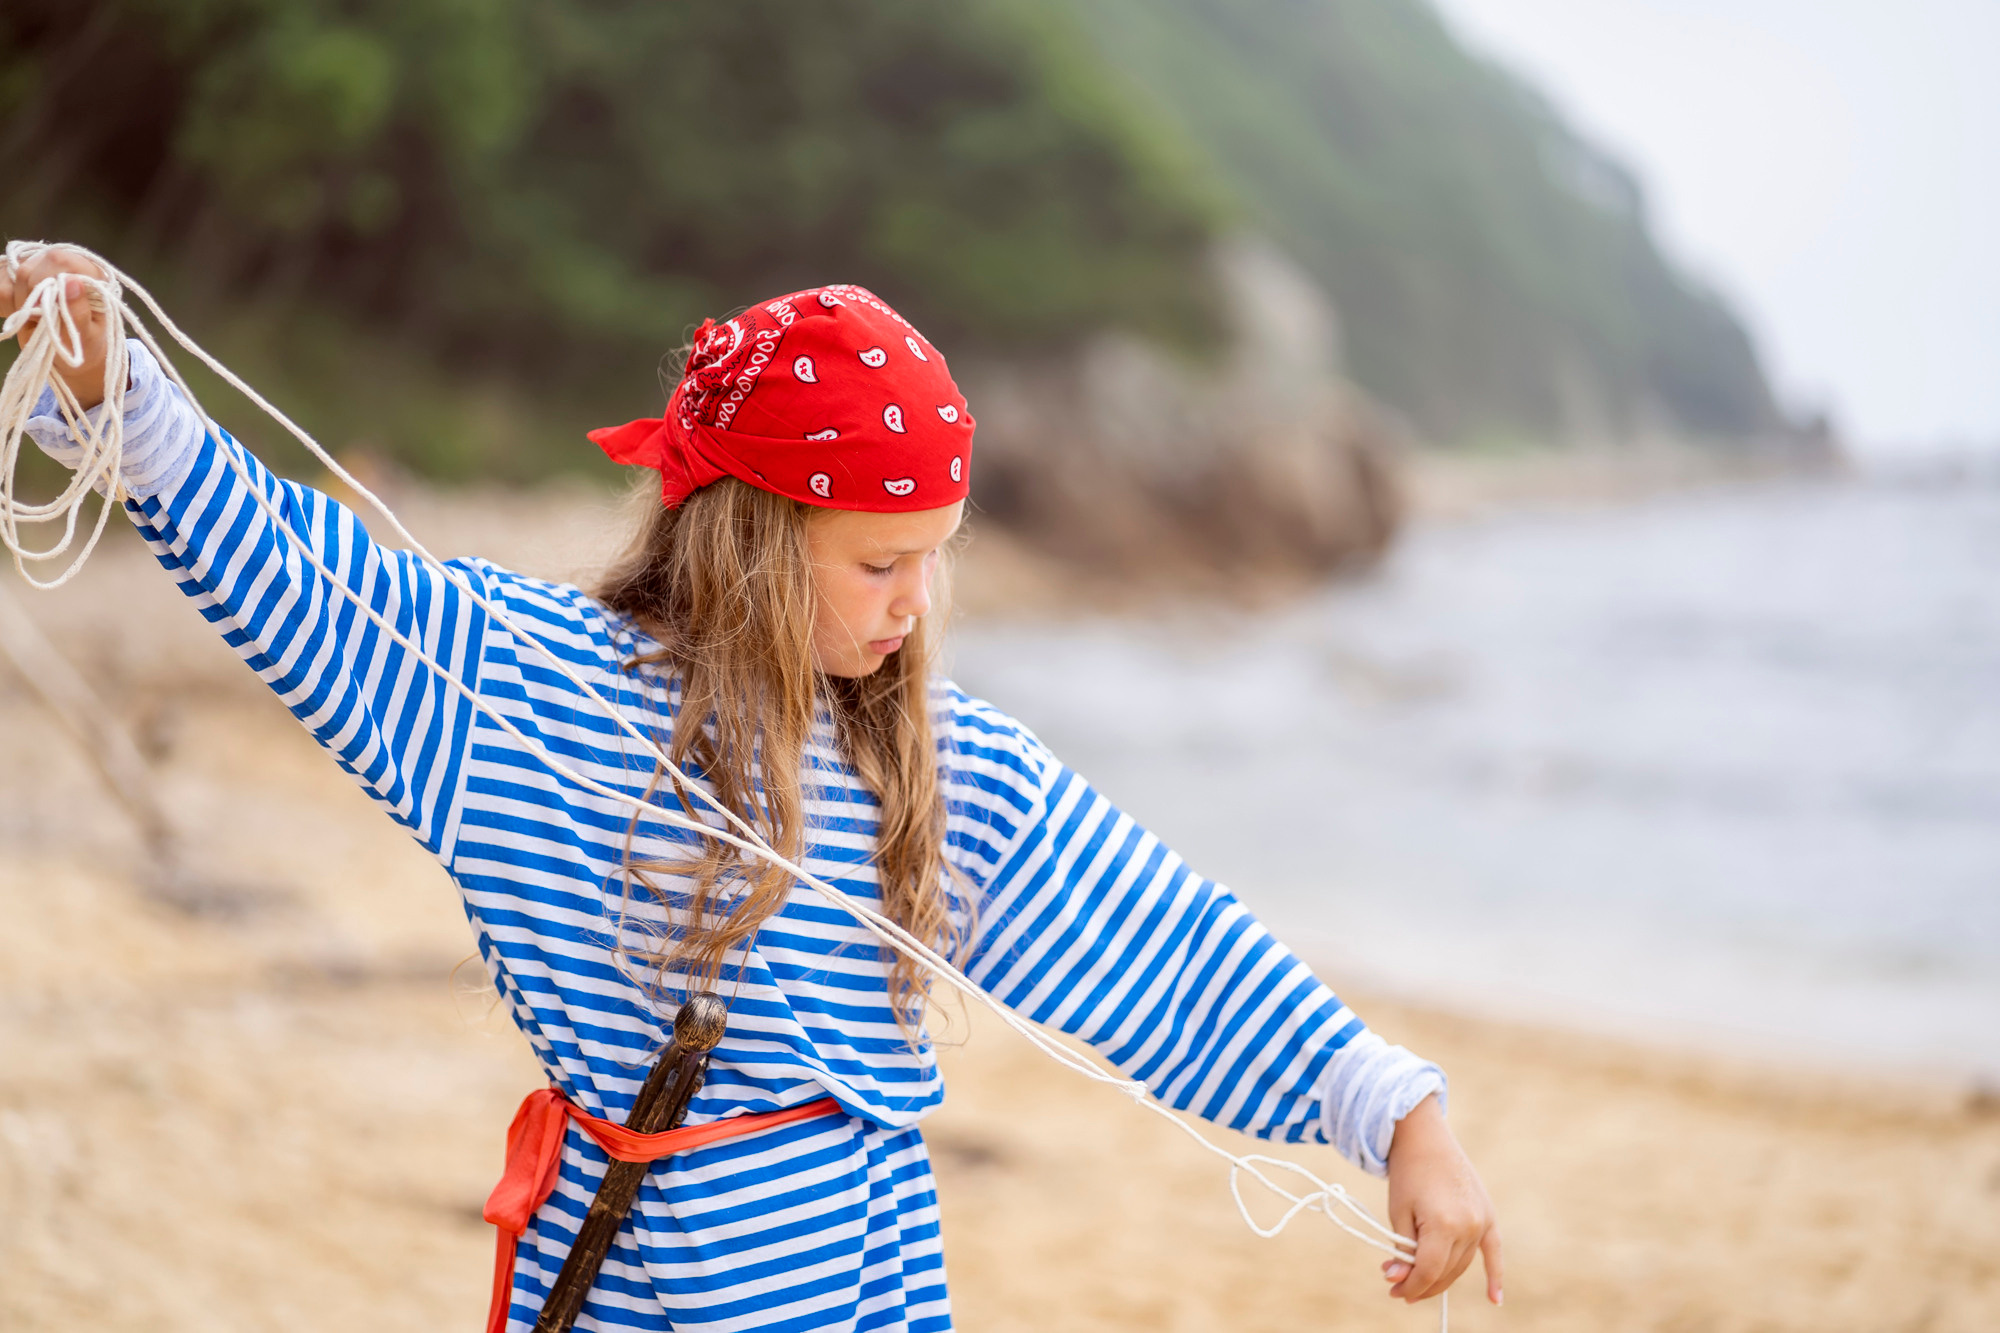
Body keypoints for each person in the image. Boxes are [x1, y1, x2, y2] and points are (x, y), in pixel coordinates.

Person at [7, 247, 1501, 1332]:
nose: (917, 601)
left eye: (937, 556)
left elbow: (1158, 935)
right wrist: (123, 395)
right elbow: (313, 582)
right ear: (749, 534)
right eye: (878, 561)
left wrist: (1389, 1107)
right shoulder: (535, 701)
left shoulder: (929, 759)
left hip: (864, 1292)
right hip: (618, 1282)